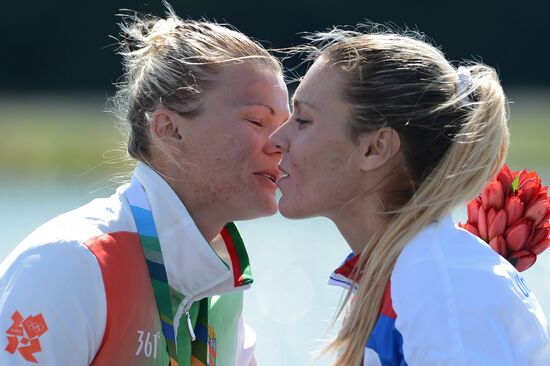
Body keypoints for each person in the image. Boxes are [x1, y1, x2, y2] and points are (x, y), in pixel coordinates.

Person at [0, 5, 289, 366]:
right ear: (169, 129)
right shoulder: (71, 262)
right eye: (258, 120)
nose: (282, 143)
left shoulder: (221, 287)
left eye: (287, 126)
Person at [269, 27, 550, 365]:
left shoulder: (439, 284)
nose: (276, 139)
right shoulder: (412, 270)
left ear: (375, 148)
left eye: (302, 119)